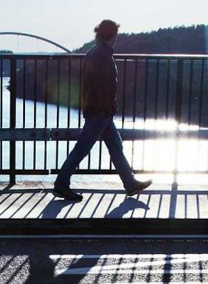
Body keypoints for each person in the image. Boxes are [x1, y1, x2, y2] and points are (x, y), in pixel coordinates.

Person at [53, 19, 152, 202]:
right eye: (116, 34)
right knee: (82, 148)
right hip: (101, 111)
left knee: (116, 147)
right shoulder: (103, 55)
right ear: (112, 35)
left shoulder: (94, 52)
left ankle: (130, 184)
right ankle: (61, 184)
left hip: (98, 110)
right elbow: (102, 86)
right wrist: (107, 107)